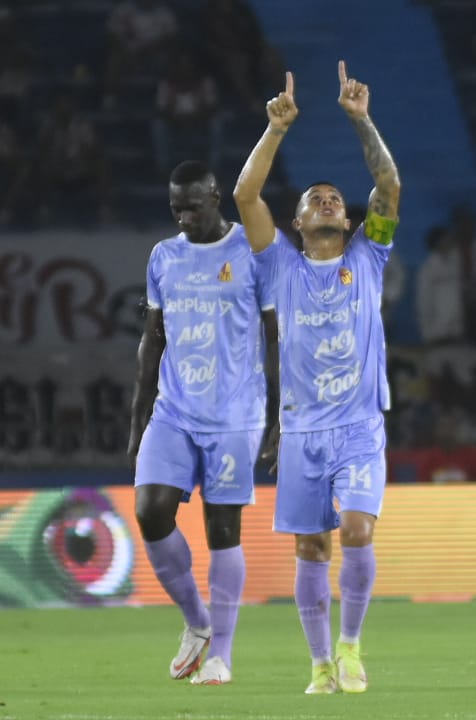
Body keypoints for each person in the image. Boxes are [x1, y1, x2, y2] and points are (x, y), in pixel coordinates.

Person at [233, 63, 401, 694]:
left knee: (356, 531)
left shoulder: (370, 255)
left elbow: (388, 183)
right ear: (298, 223)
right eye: (314, 199)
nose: (328, 201)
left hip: (358, 426)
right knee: (311, 549)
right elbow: (245, 196)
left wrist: (362, 120)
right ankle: (320, 664)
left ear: (349, 219)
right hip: (302, 431)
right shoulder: (278, 264)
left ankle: (352, 648)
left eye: (334, 198)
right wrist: (275, 129)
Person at [128, 160, 279, 685]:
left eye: (192, 207)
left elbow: (276, 338)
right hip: (173, 410)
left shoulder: (251, 253)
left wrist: (282, 416)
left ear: (216, 197)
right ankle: (197, 621)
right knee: (150, 511)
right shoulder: (164, 256)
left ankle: (221, 657)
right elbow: (152, 341)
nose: (184, 218)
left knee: (222, 531)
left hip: (235, 414)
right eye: (176, 210)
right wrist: (137, 421)